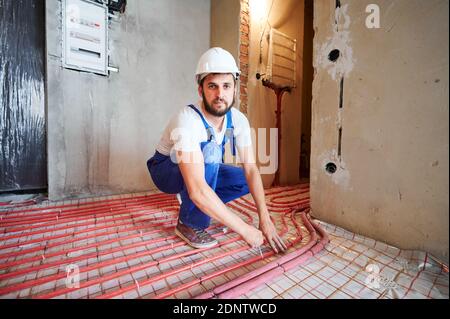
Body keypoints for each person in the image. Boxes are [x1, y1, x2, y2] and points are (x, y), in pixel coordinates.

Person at [147, 47, 286, 253]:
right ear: (200, 90)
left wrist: (264, 219)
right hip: (166, 169)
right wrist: (244, 229)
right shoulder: (187, 119)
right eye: (212, 86)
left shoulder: (238, 120)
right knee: (211, 154)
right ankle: (189, 222)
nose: (220, 94)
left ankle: (194, 202)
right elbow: (198, 188)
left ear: (235, 90)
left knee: (242, 179)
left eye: (226, 86)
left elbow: (251, 170)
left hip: (196, 168)